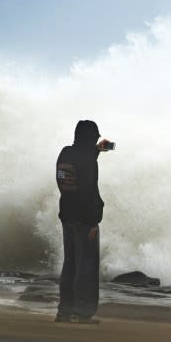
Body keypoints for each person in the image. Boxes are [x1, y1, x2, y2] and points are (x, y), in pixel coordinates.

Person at [55, 120, 111, 323]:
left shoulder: (66, 153)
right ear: (89, 138)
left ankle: (65, 311)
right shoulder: (88, 161)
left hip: (67, 216)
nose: (96, 140)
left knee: (70, 265)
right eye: (94, 137)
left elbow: (78, 163)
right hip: (84, 220)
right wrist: (94, 222)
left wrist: (96, 150)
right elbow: (88, 191)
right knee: (86, 267)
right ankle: (83, 313)